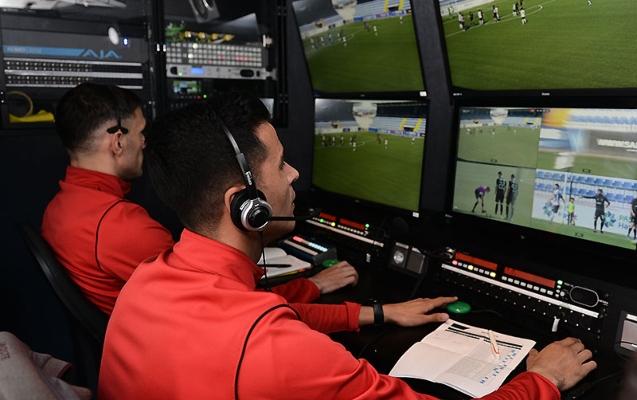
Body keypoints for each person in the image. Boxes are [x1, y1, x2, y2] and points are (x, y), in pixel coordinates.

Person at [99, 94, 596, 399]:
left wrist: (378, 313)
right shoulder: (275, 350)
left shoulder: (147, 280)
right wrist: (543, 381)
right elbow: (269, 338)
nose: (294, 174)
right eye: (280, 165)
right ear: (245, 204)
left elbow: (270, 313)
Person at [41, 83, 357, 315]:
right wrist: (315, 285)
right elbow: (233, 305)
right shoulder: (121, 227)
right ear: (118, 142)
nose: (145, 143)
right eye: (141, 133)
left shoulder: (60, 208)